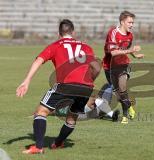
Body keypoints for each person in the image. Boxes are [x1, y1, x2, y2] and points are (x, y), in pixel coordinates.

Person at [16, 19, 101, 154]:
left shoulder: (56, 45)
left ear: (58, 33)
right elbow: (96, 67)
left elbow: (39, 60)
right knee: (72, 117)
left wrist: (26, 81)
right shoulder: (86, 47)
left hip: (65, 85)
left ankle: (38, 147)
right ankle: (58, 143)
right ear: (73, 32)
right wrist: (89, 82)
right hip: (86, 87)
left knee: (41, 112)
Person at [102, 11, 144, 124]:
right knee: (119, 95)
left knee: (122, 87)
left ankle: (125, 116)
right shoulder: (113, 33)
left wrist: (135, 55)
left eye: (132, 22)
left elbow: (127, 48)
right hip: (109, 66)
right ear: (122, 22)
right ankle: (129, 107)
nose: (132, 25)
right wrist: (131, 51)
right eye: (129, 22)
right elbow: (114, 53)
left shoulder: (130, 35)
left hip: (123, 65)